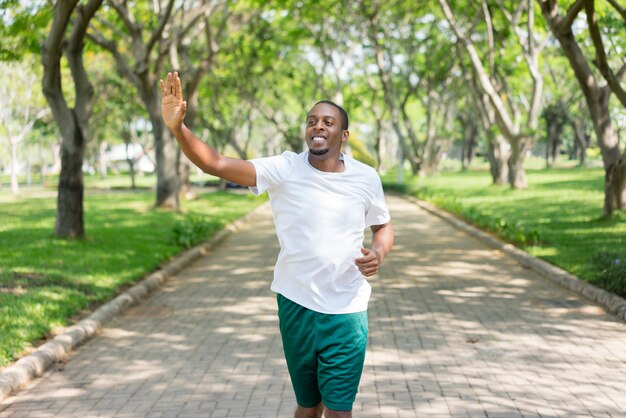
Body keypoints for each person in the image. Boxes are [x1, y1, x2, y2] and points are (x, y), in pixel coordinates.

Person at [160, 71, 394, 418]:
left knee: (339, 410)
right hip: (296, 303)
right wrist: (179, 128)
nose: (318, 126)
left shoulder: (366, 177)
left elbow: (383, 225)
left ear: (343, 134)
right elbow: (216, 163)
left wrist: (378, 252)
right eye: (312, 121)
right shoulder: (285, 168)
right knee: (307, 406)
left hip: (347, 308)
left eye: (328, 122)